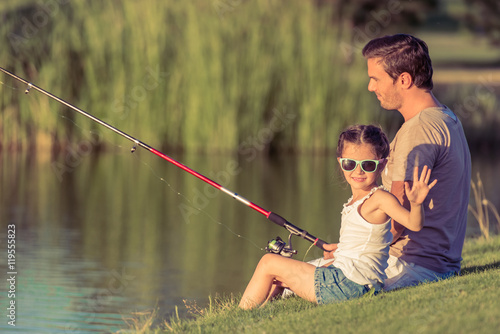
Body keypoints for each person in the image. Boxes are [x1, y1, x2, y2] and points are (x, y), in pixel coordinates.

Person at [239, 125, 437, 309]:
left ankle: (240, 314)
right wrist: (338, 253)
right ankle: (261, 312)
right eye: (350, 163)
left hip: (349, 285)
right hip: (351, 281)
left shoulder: (380, 198)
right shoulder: (355, 201)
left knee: (269, 262)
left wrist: (417, 204)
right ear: (340, 162)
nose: (357, 171)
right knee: (280, 276)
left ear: (382, 164)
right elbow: (359, 248)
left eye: (367, 165)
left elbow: (414, 224)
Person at [332, 34, 470, 291]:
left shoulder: (417, 131)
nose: (371, 87)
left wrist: (350, 251)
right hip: (438, 263)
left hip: (410, 263)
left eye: (376, 79)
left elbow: (396, 224)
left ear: (404, 80)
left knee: (290, 279)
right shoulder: (447, 117)